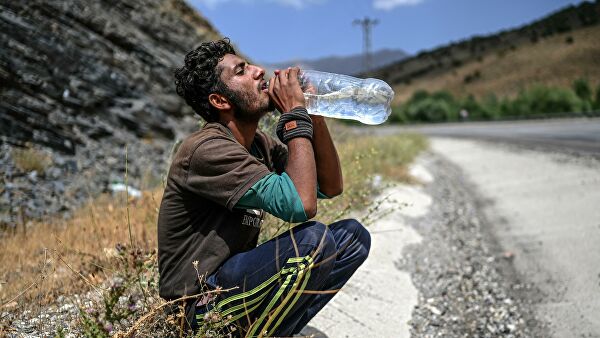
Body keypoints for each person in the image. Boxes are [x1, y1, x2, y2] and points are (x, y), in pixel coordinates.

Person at [157, 38, 371, 337]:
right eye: (241, 71)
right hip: (196, 305)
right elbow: (302, 206)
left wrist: (313, 111)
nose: (259, 71)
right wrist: (294, 116)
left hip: (234, 282)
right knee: (313, 241)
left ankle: (275, 331)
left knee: (352, 237)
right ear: (221, 101)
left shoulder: (258, 145)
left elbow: (330, 186)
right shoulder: (207, 150)